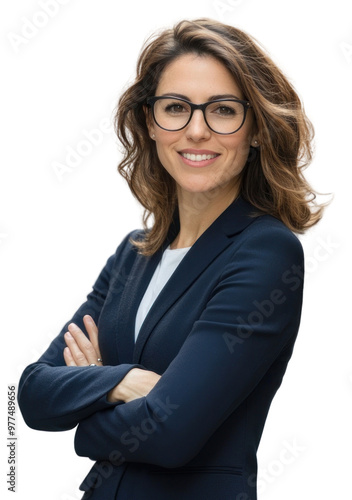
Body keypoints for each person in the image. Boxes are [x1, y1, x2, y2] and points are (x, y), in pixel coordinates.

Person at [18, 18, 325, 500]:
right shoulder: (133, 254)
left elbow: (170, 432)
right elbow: (34, 392)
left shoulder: (264, 252)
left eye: (223, 110)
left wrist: (84, 416)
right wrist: (124, 382)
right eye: (176, 108)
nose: (196, 130)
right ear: (150, 123)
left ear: (258, 130)